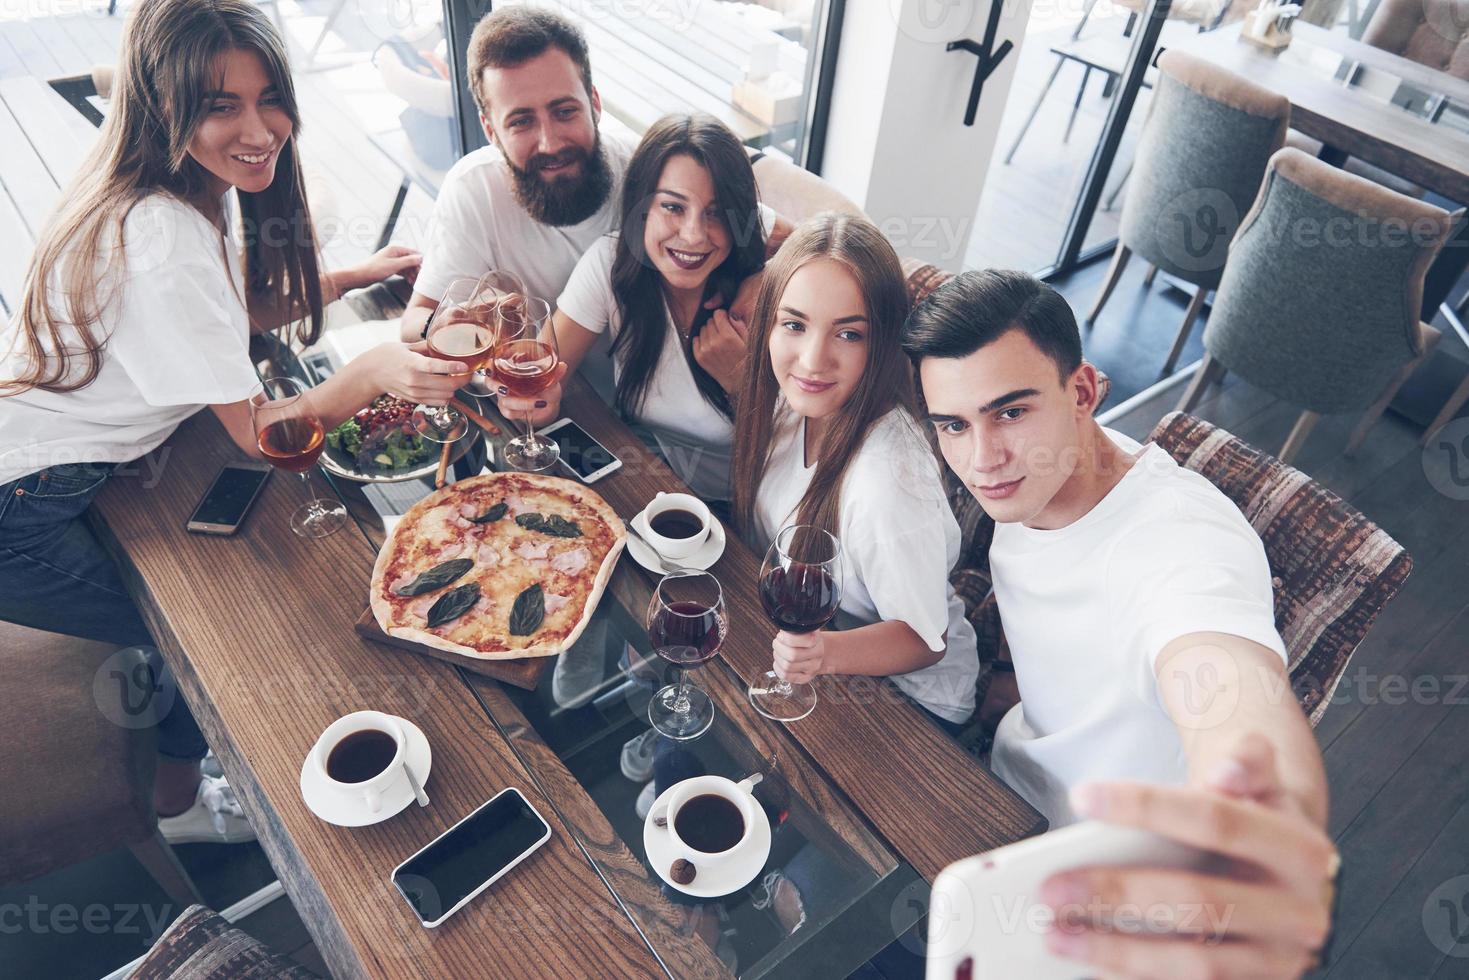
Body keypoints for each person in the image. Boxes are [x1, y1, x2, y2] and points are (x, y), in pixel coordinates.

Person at [0, 0, 467, 844]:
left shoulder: (174, 187)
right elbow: (261, 434)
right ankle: (183, 804)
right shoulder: (160, 238)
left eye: (268, 98)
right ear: (163, 104)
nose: (259, 129)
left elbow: (229, 310)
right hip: (20, 510)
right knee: (191, 639)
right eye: (221, 106)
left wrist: (358, 273)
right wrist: (367, 374)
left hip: (47, 459)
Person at [903, 270, 1336, 977]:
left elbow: (1232, 694)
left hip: (1104, 892)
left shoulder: (1180, 544)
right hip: (1000, 793)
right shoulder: (1030, 482)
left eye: (1009, 412)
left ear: (1081, 392)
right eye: (953, 424)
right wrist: (1010, 685)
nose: (980, 459)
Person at [398, 8, 791, 387]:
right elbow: (416, 320)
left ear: (595, 104)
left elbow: (799, 243)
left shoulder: (649, 172)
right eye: (521, 122)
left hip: (645, 405)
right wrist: (445, 324)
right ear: (490, 130)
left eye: (565, 111)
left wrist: (762, 280)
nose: (550, 142)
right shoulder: (472, 191)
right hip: (553, 391)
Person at [728, 213, 980, 727]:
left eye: (848, 334)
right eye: (795, 325)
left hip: (911, 702)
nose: (813, 360)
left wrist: (822, 654)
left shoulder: (887, 479)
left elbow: (925, 641)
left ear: (882, 342)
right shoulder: (791, 401)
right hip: (814, 657)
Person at [504, 113, 772, 503]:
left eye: (715, 213)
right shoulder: (609, 265)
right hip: (652, 494)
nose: (694, 234)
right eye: (673, 207)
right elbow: (542, 375)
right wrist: (532, 401)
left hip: (744, 516)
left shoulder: (768, 297)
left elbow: (801, 453)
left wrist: (742, 381)